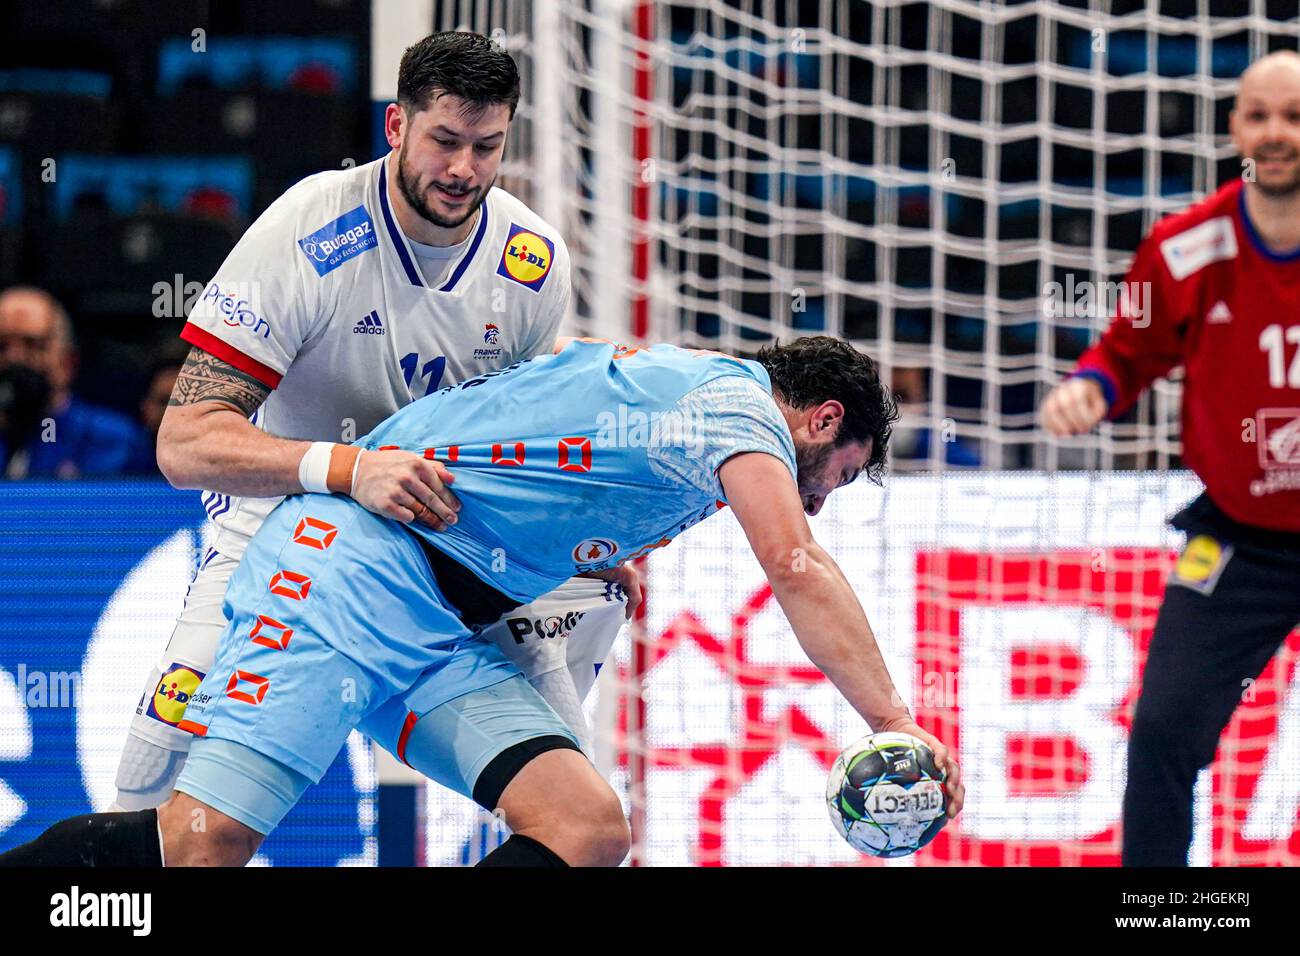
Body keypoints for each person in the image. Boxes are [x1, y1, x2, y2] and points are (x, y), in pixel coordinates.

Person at [0, 335, 964, 867]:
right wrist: (896, 724)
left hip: (438, 621)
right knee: (201, 850)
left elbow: (540, 436)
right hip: (350, 575)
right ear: (821, 418)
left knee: (587, 827)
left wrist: (584, 555)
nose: (814, 498)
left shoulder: (681, 406)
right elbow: (794, 563)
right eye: (830, 477)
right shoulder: (740, 408)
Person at [111, 31, 639, 813]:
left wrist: (576, 540)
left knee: (585, 820)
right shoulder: (309, 228)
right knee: (149, 789)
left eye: (486, 147)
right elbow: (184, 440)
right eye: (444, 141)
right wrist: (352, 470)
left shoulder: (532, 260)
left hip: (451, 554)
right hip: (277, 534)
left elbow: (526, 447)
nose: (463, 170)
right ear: (396, 127)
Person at [1040, 51, 1300, 866]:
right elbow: (1125, 354)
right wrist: (1089, 389)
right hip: (1240, 538)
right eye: (1259, 114)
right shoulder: (1186, 247)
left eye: (1294, 114)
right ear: (1234, 129)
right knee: (1161, 733)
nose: (1277, 133)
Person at [0, 286, 145, 478]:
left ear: (68, 362)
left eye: (33, 345)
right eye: (1, 346)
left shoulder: (110, 440)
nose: (14, 359)